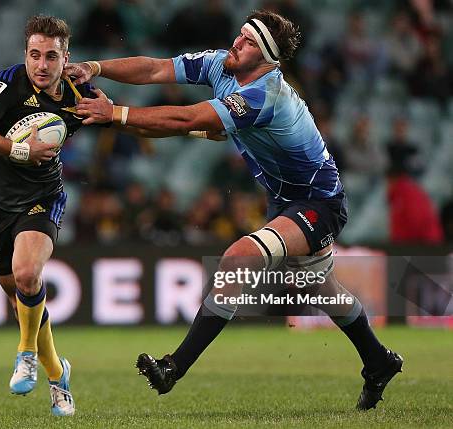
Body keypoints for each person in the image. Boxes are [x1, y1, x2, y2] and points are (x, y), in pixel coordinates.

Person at [66, 10, 403, 411]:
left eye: (247, 42)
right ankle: (378, 361)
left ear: (265, 59)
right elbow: (156, 69)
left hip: (319, 203)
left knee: (237, 257)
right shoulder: (222, 64)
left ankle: (174, 367)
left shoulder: (264, 95)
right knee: (319, 288)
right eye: (241, 34)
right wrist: (96, 67)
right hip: (287, 200)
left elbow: (187, 118)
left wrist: (116, 114)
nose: (236, 43)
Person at [0, 14, 197, 417]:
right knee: (21, 303)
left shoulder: (77, 91)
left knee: (29, 274)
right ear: (25, 55)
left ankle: (25, 352)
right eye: (34, 55)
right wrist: (18, 150)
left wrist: (197, 129)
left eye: (51, 56)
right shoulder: (8, 83)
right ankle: (57, 375)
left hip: (42, 197)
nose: (41, 65)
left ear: (66, 56)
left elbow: (129, 124)